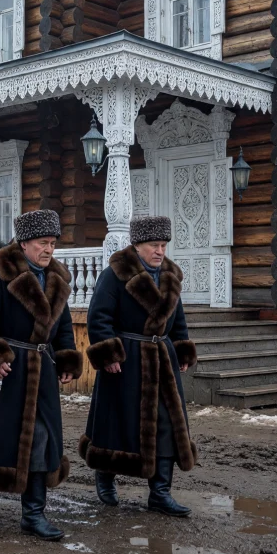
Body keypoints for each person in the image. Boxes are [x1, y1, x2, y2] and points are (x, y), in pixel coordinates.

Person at [0, 208, 83, 541]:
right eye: (43, 243)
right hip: (7, 373)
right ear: (25, 242)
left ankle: (33, 513)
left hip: (41, 374)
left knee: (42, 440)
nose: (49, 250)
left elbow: (64, 327)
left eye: (53, 243)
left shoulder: (57, 279)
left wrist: (67, 359)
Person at [78, 215, 198, 517]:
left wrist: (181, 349)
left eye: (163, 245)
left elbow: (178, 319)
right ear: (138, 245)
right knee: (117, 424)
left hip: (162, 361)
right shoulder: (114, 275)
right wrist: (109, 354)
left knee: (168, 425)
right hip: (126, 361)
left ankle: (160, 493)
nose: (160, 251)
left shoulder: (171, 275)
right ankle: (105, 476)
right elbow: (99, 317)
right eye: (154, 245)